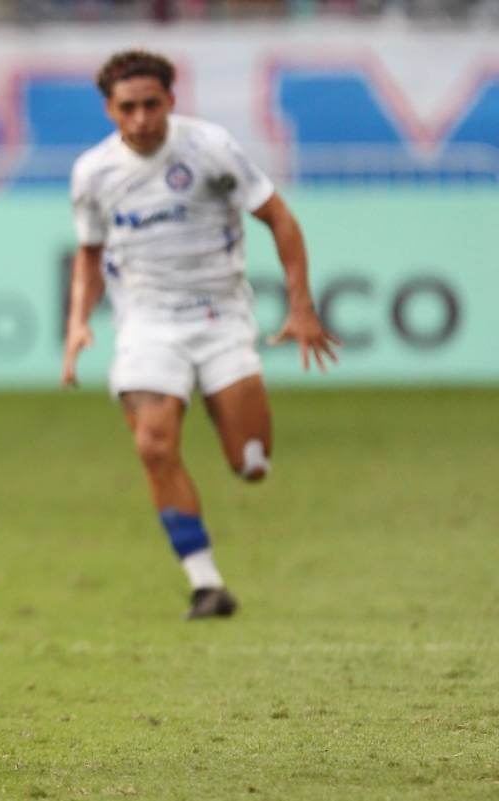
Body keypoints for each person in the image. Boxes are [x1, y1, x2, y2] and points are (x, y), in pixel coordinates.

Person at [61, 50, 341, 620]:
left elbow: (281, 219)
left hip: (221, 317)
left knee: (250, 464)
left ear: (170, 100)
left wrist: (302, 305)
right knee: (153, 444)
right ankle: (205, 583)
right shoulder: (92, 172)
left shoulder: (209, 148)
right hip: (146, 322)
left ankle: (231, 425)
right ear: (110, 109)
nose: (140, 119)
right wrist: (78, 322)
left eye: (151, 105)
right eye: (127, 108)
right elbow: (89, 256)